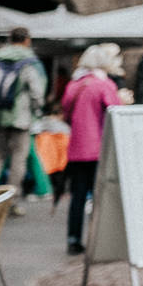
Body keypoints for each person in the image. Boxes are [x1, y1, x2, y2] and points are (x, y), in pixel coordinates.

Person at [0, 27, 46, 208]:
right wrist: (37, 111)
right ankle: (11, 199)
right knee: (18, 159)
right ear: (27, 40)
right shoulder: (28, 61)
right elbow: (36, 92)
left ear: (9, 38)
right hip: (21, 119)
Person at [62, 44, 121, 256]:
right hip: (98, 148)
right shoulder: (103, 84)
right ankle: (98, 239)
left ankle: (73, 238)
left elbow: (66, 112)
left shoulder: (74, 85)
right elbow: (116, 111)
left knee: (77, 195)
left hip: (77, 148)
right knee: (100, 195)